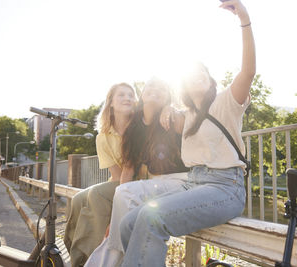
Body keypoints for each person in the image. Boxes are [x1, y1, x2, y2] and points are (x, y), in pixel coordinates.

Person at [118, 1, 256, 266]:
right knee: (128, 224)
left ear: (210, 79)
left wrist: (244, 18)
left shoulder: (227, 101)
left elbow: (248, 71)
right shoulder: (186, 116)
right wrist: (168, 107)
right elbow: (163, 114)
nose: (197, 75)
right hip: (193, 183)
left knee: (150, 218)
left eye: (202, 71)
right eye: (191, 73)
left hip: (226, 187)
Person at [84, 77, 189, 267]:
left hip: (180, 182)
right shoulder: (135, 129)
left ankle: (114, 256)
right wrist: (115, 219)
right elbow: (127, 169)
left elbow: (187, 118)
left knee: (125, 224)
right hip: (152, 187)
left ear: (168, 97)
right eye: (150, 85)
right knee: (119, 197)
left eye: (162, 87)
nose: (155, 88)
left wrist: (170, 109)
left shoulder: (172, 116)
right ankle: (111, 255)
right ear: (142, 95)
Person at [63, 82, 145, 267]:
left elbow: (130, 171)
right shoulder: (103, 136)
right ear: (111, 104)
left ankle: (95, 258)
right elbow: (116, 175)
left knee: (96, 195)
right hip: (121, 181)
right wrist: (115, 197)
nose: (127, 98)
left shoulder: (139, 127)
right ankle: (75, 256)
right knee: (77, 199)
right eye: (121, 95)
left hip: (141, 181)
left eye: (131, 95)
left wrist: (116, 213)